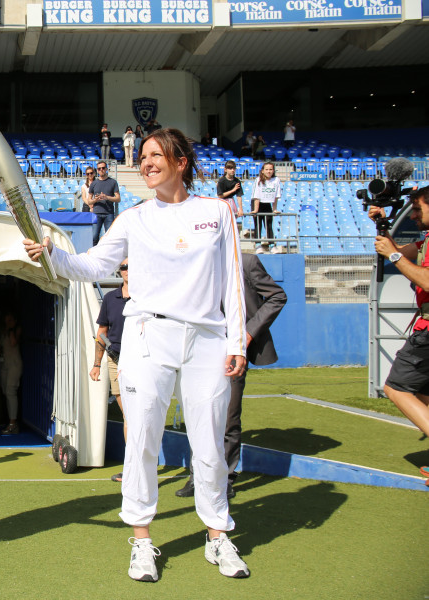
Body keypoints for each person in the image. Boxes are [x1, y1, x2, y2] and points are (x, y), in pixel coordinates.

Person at [24, 127, 249, 582]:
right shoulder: (133, 218)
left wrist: (236, 340)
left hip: (206, 339)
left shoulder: (217, 211)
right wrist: (53, 253)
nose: (145, 163)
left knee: (209, 443)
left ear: (180, 161)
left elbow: (232, 282)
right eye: (142, 156)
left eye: (154, 155)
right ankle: (142, 540)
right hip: (147, 337)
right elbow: (92, 266)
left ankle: (217, 535)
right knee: (142, 438)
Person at [176, 253, 286, 499]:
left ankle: (224, 479)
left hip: (232, 351)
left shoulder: (246, 262)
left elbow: (277, 296)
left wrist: (248, 333)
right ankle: (197, 477)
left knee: (228, 418)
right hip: (197, 348)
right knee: (196, 416)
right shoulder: (194, 259)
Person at [372, 186, 429, 482]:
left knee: (396, 388)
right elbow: (393, 251)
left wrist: (393, 254)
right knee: (422, 393)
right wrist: (382, 226)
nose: (414, 215)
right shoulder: (426, 240)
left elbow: (426, 279)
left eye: (418, 209)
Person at [90, 259, 130, 482]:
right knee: (129, 415)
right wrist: (97, 364)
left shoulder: (148, 296)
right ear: (119, 271)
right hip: (116, 360)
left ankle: (139, 467)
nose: (128, 271)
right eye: (124, 267)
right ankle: (132, 468)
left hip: (143, 360)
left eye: (132, 266)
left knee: (140, 415)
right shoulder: (109, 299)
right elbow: (101, 332)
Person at [88, 161, 121, 246]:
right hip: (97, 213)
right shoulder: (94, 183)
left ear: (106, 169)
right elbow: (89, 201)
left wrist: (107, 197)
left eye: (103, 168)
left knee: (109, 237)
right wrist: (95, 200)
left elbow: (118, 198)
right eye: (99, 168)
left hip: (108, 213)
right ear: (97, 170)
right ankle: (94, 255)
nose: (101, 170)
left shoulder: (113, 182)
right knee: (94, 237)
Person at [251, 162, 281, 254]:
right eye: (266, 169)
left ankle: (271, 245)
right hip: (257, 203)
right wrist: (256, 210)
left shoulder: (276, 180)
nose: (269, 171)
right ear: (263, 171)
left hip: (267, 203)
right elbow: (256, 196)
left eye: (270, 169)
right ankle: (258, 245)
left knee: (268, 225)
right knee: (258, 224)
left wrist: (274, 209)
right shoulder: (258, 180)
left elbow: (276, 196)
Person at [0, 311, 22, 434]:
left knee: (10, 391)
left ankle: (13, 423)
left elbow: (14, 343)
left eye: (10, 320)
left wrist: (11, 329)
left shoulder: (15, 330)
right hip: (5, 364)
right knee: (5, 391)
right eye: (6, 320)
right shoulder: (4, 331)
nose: (7, 323)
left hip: (14, 364)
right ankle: (10, 420)